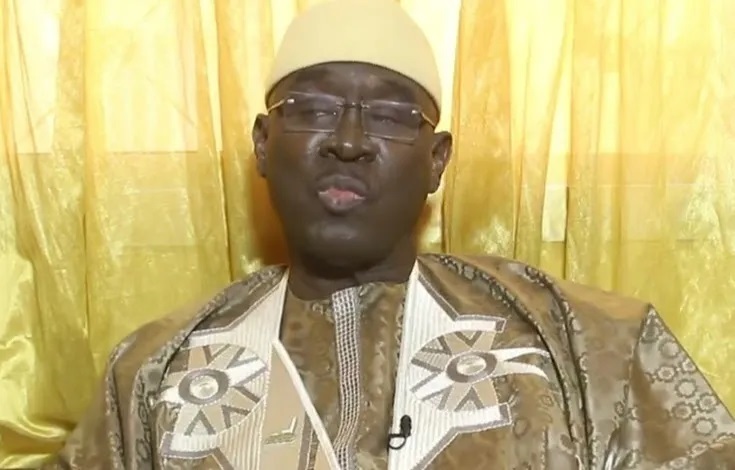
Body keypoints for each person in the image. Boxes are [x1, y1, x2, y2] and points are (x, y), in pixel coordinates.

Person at [41, 0, 735, 469]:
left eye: (392, 116)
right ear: (263, 143)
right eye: (311, 108)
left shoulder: (583, 343)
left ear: (437, 160)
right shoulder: (155, 373)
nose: (347, 141)